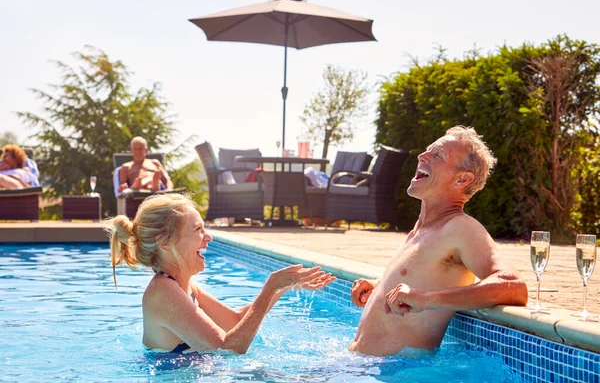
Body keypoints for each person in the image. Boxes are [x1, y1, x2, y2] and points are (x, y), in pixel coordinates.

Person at [348, 126, 528, 357]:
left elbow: (513, 286)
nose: (422, 156)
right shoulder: (422, 229)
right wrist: (380, 287)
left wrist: (428, 299)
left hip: (398, 373)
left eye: (437, 156)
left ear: (462, 179)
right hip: (364, 367)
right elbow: (422, 278)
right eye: (427, 151)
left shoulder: (461, 228)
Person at [105, 193, 335, 354]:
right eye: (198, 230)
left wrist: (283, 286)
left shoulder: (183, 287)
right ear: (165, 243)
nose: (209, 237)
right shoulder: (162, 293)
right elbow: (229, 348)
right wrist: (271, 286)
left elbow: (234, 323)